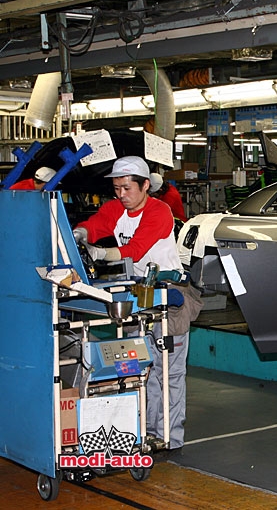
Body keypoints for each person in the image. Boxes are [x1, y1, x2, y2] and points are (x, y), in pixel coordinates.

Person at [72, 156, 202, 455]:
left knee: (169, 372)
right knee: (141, 368)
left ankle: (169, 436)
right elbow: (96, 225)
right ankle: (145, 431)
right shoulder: (115, 208)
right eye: (116, 188)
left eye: (127, 188)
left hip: (169, 295)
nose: (121, 194)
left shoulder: (159, 211)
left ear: (145, 186)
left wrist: (101, 254)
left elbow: (136, 249)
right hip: (138, 292)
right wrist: (80, 233)